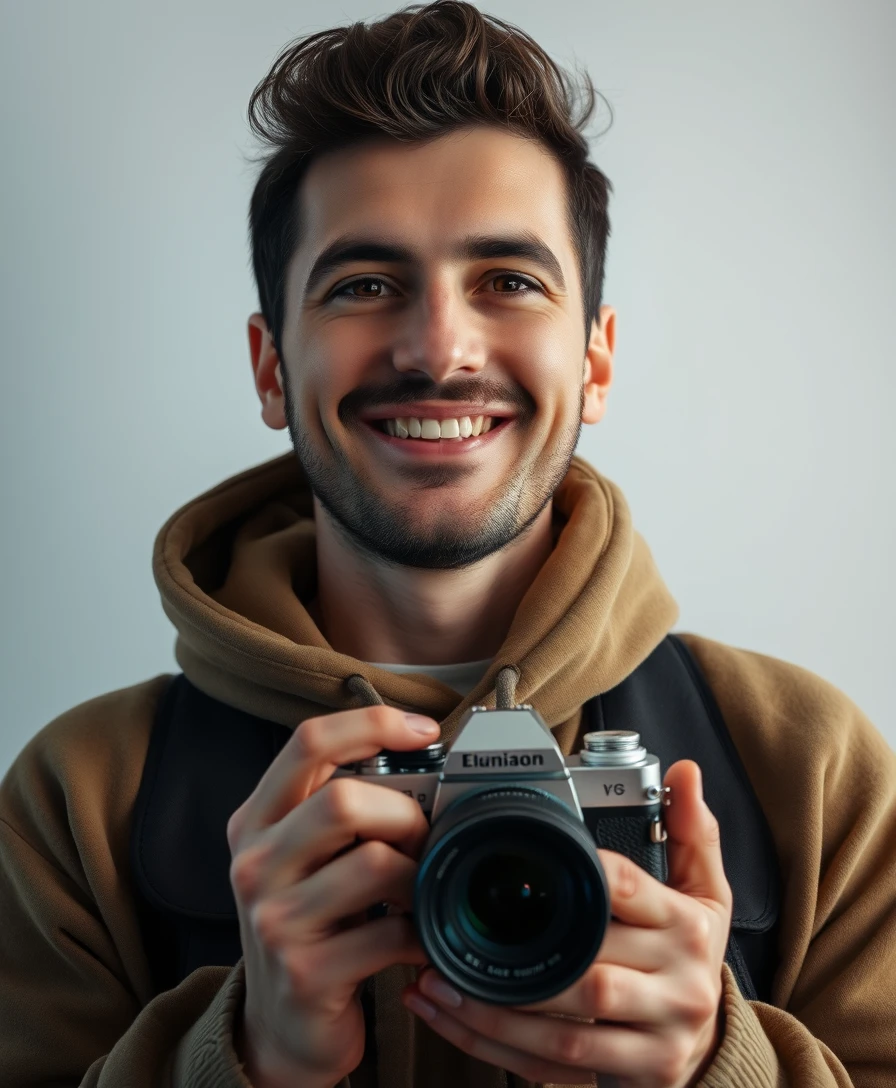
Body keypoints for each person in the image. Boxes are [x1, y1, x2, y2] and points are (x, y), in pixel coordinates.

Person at [1, 2, 894, 1086]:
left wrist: (721, 1060)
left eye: (508, 281)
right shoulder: (78, 801)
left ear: (596, 360)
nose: (437, 348)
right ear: (271, 366)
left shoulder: (810, 772)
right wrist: (240, 1056)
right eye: (363, 285)